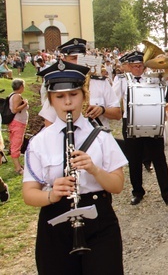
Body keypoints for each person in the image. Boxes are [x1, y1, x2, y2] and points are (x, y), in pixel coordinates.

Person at [22, 59, 127, 274]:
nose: (68, 102)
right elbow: (29, 194)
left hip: (99, 222)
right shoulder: (39, 143)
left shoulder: (102, 138)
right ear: (51, 100)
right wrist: (52, 194)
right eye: (60, 97)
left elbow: (117, 186)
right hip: (55, 224)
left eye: (74, 95)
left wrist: (93, 169)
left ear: (84, 96)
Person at [115, 51, 168, 205]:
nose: (138, 69)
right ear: (129, 66)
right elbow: (113, 98)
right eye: (134, 66)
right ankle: (137, 192)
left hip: (151, 121)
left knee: (159, 158)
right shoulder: (122, 80)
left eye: (140, 66)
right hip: (130, 122)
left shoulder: (152, 78)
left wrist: (161, 62)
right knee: (134, 159)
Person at [39, 38, 122, 128]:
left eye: (81, 58)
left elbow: (118, 114)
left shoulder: (100, 82)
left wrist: (102, 110)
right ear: (64, 60)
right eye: (73, 58)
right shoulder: (59, 85)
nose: (78, 62)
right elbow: (49, 121)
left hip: (98, 138)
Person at [8, 79, 29, 175]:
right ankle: (17, 168)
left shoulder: (13, 95)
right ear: (21, 87)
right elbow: (15, 109)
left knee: (17, 143)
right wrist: (25, 103)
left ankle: (18, 165)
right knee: (16, 144)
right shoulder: (17, 96)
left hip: (17, 123)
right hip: (18, 123)